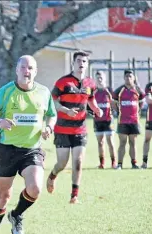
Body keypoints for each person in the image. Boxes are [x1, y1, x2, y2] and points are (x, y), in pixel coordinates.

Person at [0, 55, 56, 234]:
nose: (26, 71)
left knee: (35, 188)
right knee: (3, 196)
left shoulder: (44, 93)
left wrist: (49, 127)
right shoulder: (6, 92)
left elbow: (52, 115)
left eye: (30, 68)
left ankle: (17, 214)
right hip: (7, 149)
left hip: (32, 149)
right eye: (23, 67)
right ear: (17, 70)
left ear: (35, 71)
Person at [46, 51, 102, 204]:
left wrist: (96, 109)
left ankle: (74, 196)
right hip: (62, 129)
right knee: (62, 164)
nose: (81, 64)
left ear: (87, 64)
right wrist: (66, 111)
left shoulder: (90, 83)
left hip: (80, 129)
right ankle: (52, 175)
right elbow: (53, 103)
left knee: (78, 162)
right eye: (79, 61)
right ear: (73, 63)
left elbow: (91, 99)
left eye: (84, 61)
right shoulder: (63, 82)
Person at [113, 70, 145, 169]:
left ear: (134, 78)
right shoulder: (119, 91)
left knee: (133, 142)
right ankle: (119, 164)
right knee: (122, 142)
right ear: (124, 78)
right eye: (126, 76)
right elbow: (113, 103)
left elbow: (141, 103)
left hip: (134, 121)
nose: (128, 78)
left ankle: (134, 163)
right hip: (122, 121)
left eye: (130, 76)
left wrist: (137, 112)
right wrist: (119, 112)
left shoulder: (138, 90)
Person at [92, 71, 116, 169]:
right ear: (95, 79)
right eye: (98, 78)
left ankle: (113, 162)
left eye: (101, 77)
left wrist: (113, 112)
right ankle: (102, 163)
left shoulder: (109, 90)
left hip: (108, 120)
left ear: (104, 79)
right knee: (100, 142)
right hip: (98, 121)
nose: (100, 79)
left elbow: (114, 103)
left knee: (110, 141)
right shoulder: (93, 92)